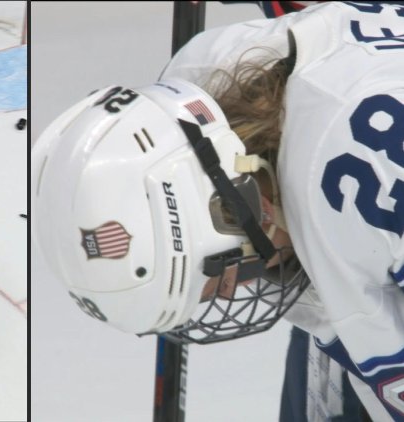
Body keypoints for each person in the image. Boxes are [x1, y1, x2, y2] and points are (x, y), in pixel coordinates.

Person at [31, 3, 404, 420]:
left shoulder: (370, 196)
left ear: (243, 205)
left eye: (219, 274)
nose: (229, 292)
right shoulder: (198, 89)